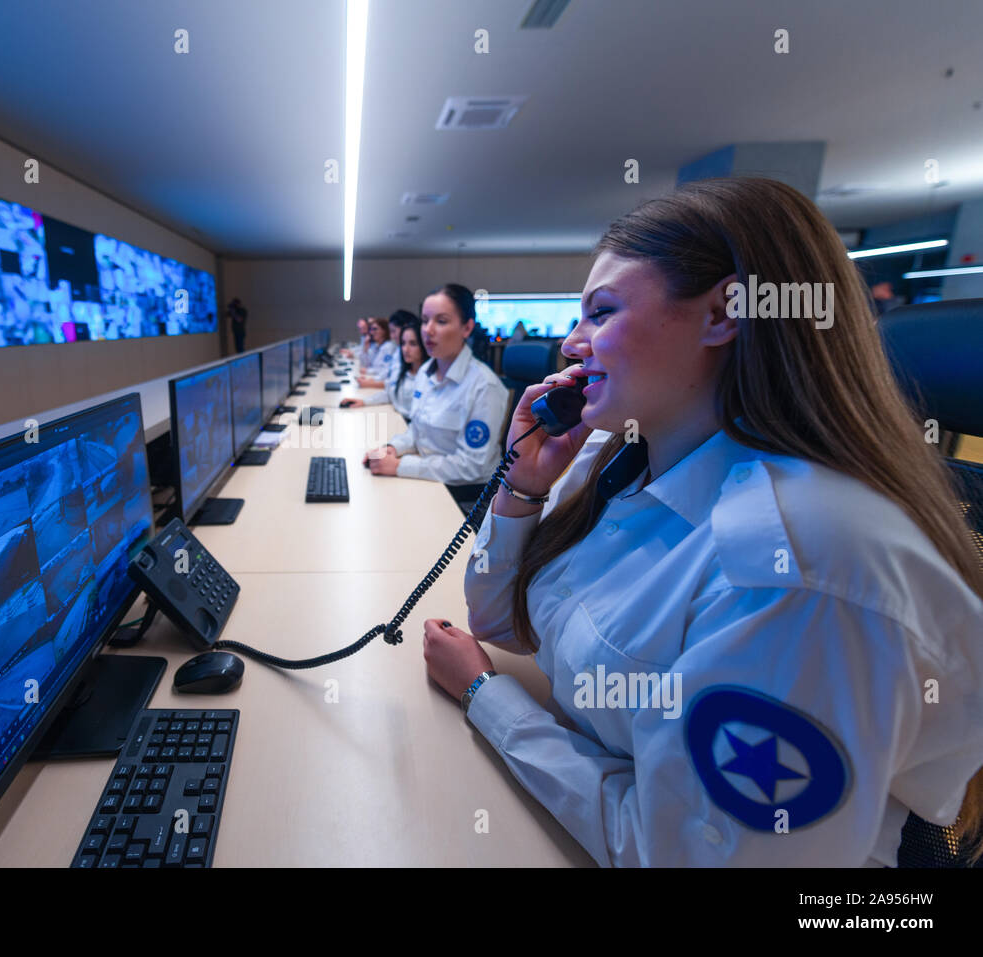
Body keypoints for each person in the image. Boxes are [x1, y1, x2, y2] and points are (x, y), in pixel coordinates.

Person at [416, 177, 983, 867]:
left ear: (723, 314)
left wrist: (488, 697)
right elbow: (503, 624)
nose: (571, 342)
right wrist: (523, 490)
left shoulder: (796, 570)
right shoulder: (623, 459)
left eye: (601, 311)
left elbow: (676, 854)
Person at [363, 284, 509, 487]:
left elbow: (472, 466)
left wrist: (400, 466)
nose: (428, 330)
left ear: (466, 328)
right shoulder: (425, 372)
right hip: (429, 476)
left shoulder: (484, 386)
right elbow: (417, 431)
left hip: (464, 492)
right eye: (424, 321)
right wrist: (393, 448)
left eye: (441, 321)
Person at [342, 316, 428, 418]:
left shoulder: (427, 378)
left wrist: (370, 382)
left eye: (413, 344)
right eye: (403, 343)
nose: (405, 349)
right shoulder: (404, 373)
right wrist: (364, 401)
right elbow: (390, 393)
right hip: (398, 419)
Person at [357, 312, 406, 388]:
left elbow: (385, 371)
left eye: (375, 329)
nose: (372, 332)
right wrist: (365, 348)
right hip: (379, 381)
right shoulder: (377, 346)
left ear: (384, 331)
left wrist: (370, 379)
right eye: (371, 329)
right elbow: (366, 364)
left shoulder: (389, 347)